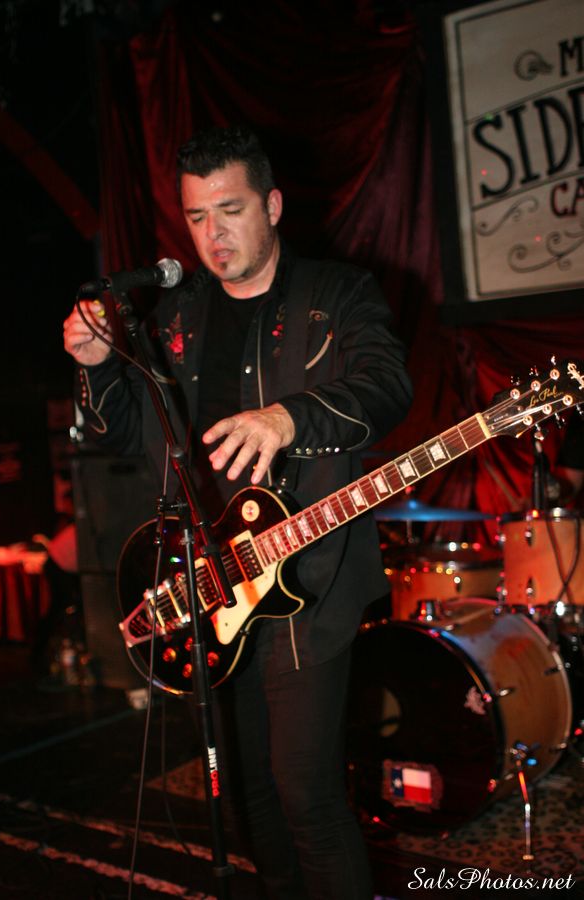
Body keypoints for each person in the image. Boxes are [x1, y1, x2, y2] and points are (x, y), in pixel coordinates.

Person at [63, 125, 412, 899]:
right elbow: (129, 431)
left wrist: (290, 418)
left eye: (231, 211)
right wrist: (98, 369)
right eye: (197, 217)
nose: (214, 235)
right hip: (210, 584)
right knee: (250, 798)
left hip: (307, 585)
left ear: (273, 206)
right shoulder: (176, 316)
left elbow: (388, 387)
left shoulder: (339, 294)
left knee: (306, 793)